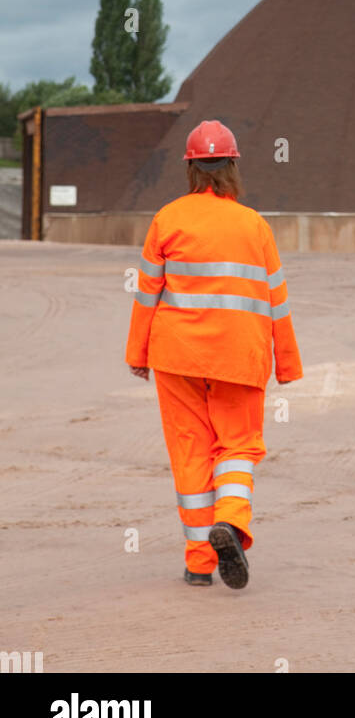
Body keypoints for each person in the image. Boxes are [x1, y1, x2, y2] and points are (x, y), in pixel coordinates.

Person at [125, 119, 303, 589]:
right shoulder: (255, 226)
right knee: (238, 447)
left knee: (190, 452)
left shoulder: (167, 219)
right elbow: (277, 302)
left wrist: (137, 352)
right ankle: (231, 521)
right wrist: (287, 363)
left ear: (190, 167)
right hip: (239, 359)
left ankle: (199, 564)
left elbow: (146, 293)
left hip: (176, 356)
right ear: (232, 167)